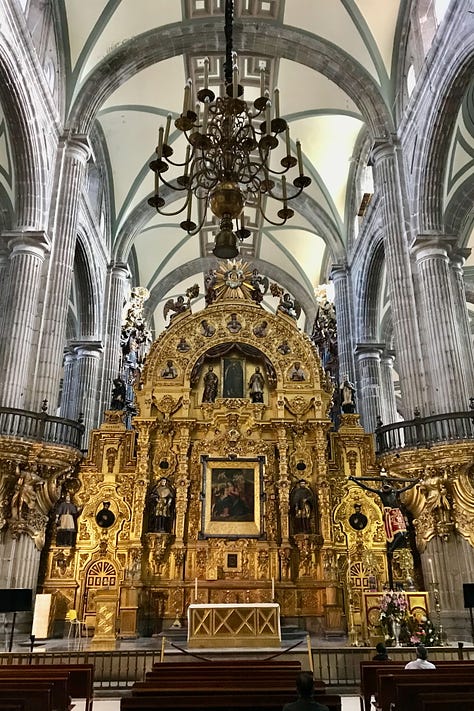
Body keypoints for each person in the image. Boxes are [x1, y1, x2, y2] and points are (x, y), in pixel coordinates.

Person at [348, 474, 418, 552]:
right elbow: (366, 487)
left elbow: (407, 487)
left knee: (403, 533)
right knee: (398, 533)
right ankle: (391, 548)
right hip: (389, 514)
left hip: (396, 513)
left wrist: (415, 482)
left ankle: (392, 547)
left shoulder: (395, 491)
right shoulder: (381, 492)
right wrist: (354, 480)